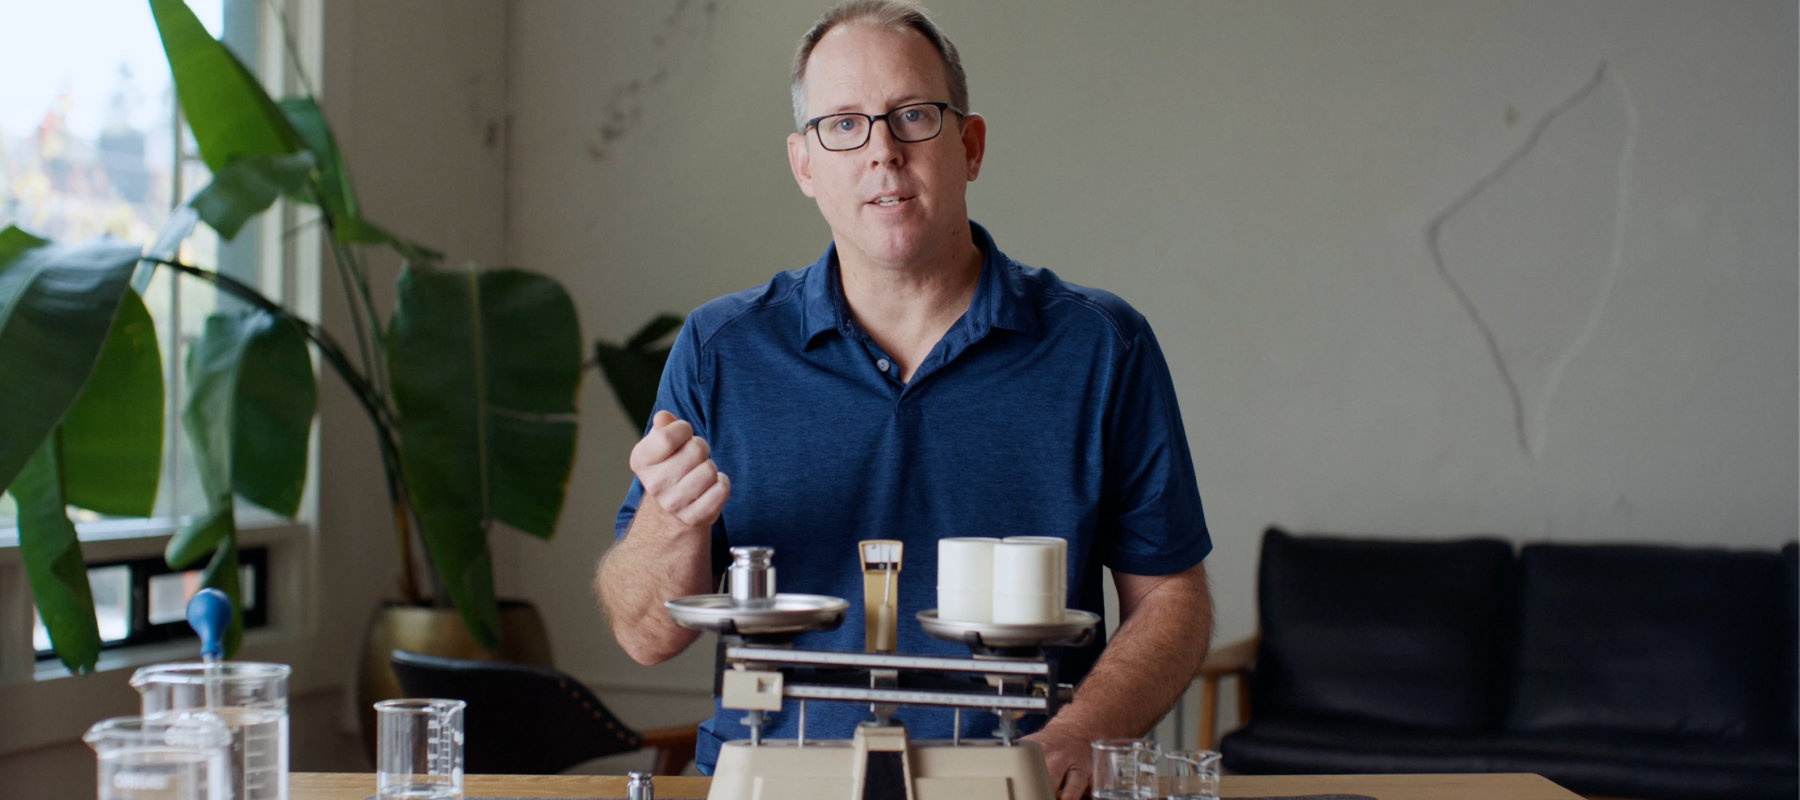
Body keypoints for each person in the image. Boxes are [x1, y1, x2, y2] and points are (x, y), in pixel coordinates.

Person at [594, 2, 1213, 797]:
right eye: (843, 125)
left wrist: (1084, 733)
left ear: (971, 145)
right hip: (775, 778)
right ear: (805, 164)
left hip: (1015, 783)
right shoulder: (722, 350)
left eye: (913, 116)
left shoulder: (1100, 347)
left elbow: (1172, 596)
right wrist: (669, 519)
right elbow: (644, 636)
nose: (882, 153)